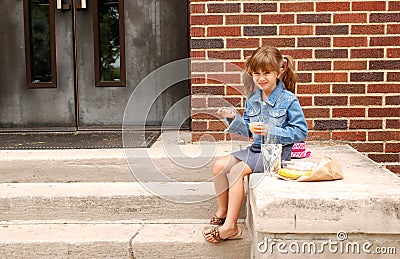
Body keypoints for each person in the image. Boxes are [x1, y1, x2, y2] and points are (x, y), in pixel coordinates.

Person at [202, 46, 308, 243]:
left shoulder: (289, 100)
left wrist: (271, 130)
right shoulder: (253, 99)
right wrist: (233, 118)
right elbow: (249, 132)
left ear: (279, 71)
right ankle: (222, 211)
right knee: (218, 166)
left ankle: (231, 227)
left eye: (267, 72)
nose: (261, 78)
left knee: (236, 171)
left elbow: (301, 132)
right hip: (256, 149)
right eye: (256, 73)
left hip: (275, 154)